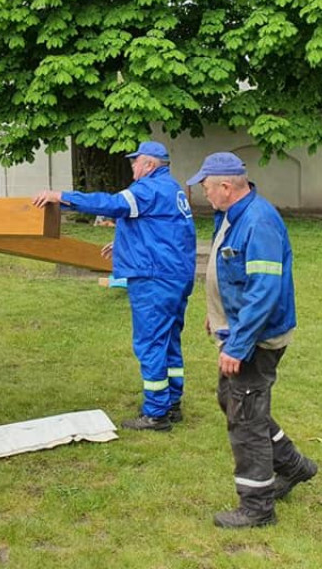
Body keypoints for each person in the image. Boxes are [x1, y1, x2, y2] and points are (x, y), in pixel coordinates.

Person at [186, 151, 317, 528]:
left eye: (207, 187)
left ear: (226, 187)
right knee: (234, 400)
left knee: (245, 417)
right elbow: (231, 275)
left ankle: (257, 507)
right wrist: (217, 318)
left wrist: (238, 345)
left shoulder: (258, 222)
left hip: (256, 338)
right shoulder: (232, 215)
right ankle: (293, 466)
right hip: (240, 329)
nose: (204, 194)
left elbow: (263, 291)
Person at [33, 141, 196, 431]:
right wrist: (122, 243)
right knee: (169, 338)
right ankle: (172, 403)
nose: (132, 166)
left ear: (149, 164)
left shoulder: (147, 189)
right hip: (175, 276)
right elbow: (166, 231)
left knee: (150, 342)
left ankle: (156, 413)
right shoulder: (172, 189)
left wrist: (62, 196)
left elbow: (112, 205)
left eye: (135, 161)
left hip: (153, 278)